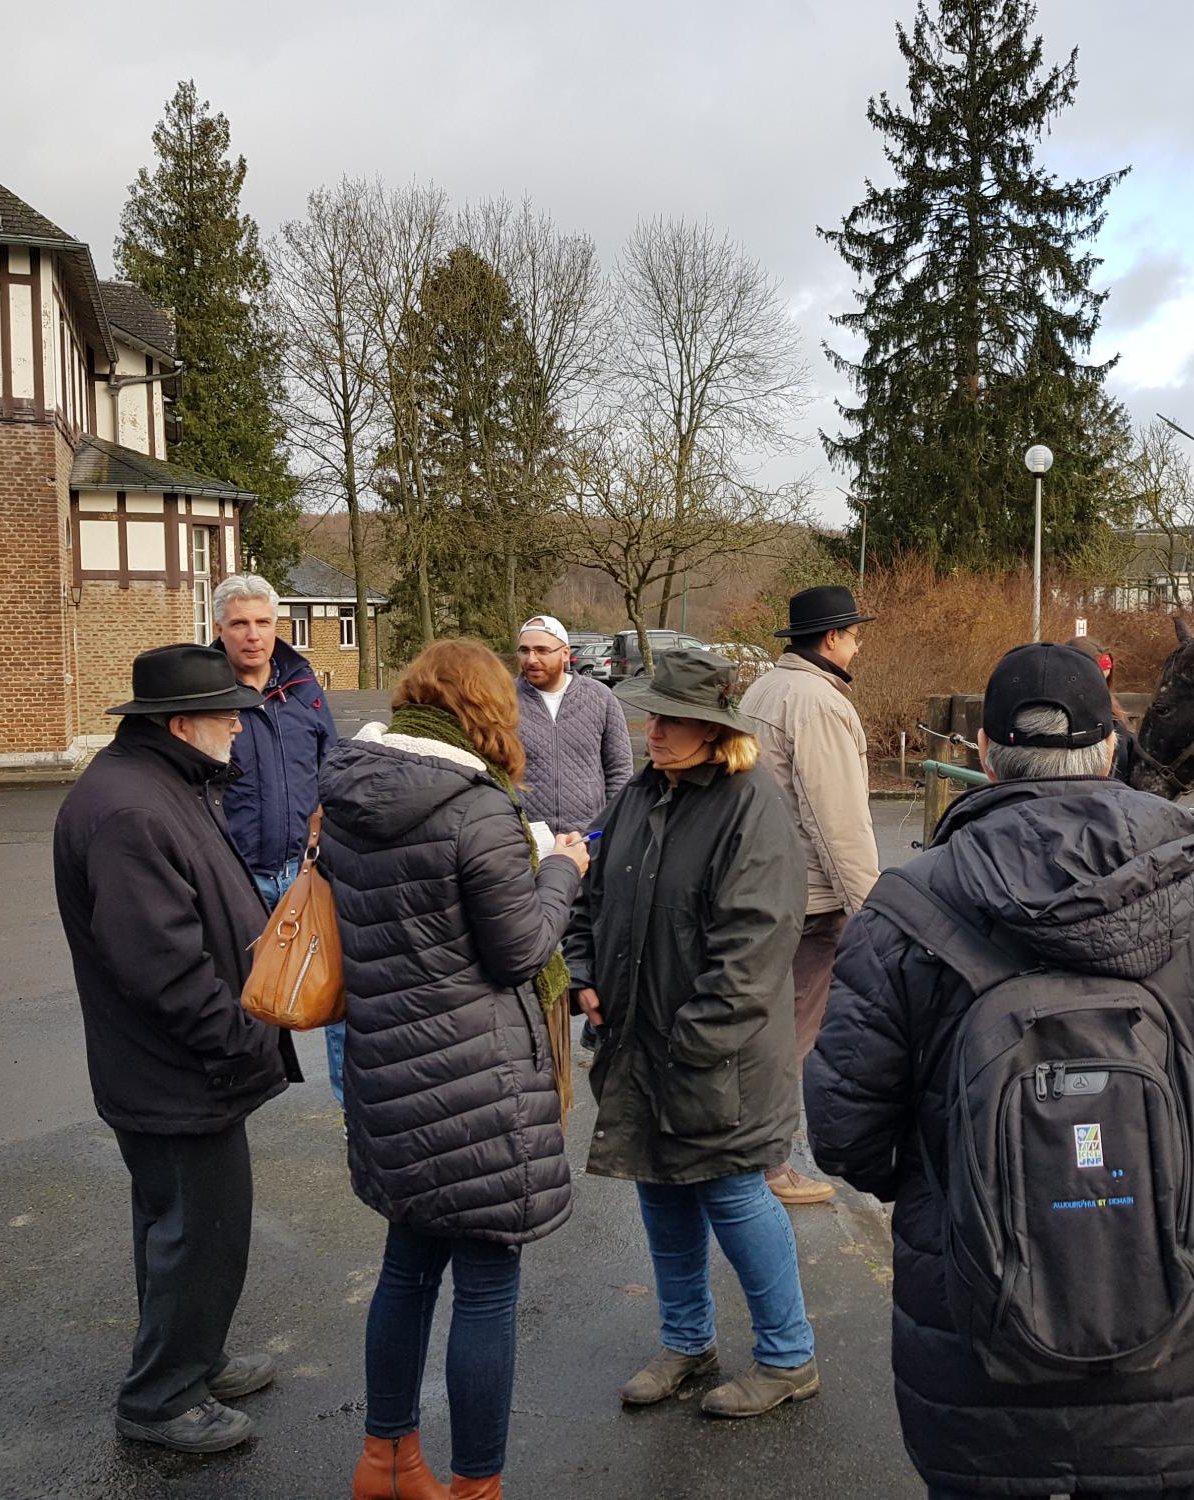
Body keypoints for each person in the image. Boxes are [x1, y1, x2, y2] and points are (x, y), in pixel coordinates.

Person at [809, 643, 1194, 1499]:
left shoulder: (903, 912)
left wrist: (960, 1191)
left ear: (984, 751)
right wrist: (1180, 1191)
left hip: (975, 1343)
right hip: (1171, 1330)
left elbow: (844, 1132)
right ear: (1111, 747)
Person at [319, 639, 591, 1500]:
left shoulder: (349, 795)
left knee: (406, 1268)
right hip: (478, 1083)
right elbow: (519, 949)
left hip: (389, 1073)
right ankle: (479, 1488)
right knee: (483, 1287)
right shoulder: (477, 809)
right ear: (485, 713)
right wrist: (562, 869)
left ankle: (385, 1462)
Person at [52, 643, 302, 1456]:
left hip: (180, 1069)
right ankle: (161, 1398)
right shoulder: (132, 809)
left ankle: (194, 1358)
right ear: (183, 722)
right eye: (228, 711)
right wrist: (236, 1042)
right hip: (179, 1072)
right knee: (198, 1232)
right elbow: (158, 964)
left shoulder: (166, 783)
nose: (239, 722)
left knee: (184, 1227)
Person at [564, 648, 820, 1420]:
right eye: (652, 715)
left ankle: (788, 1357)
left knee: (736, 1196)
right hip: (638, 1044)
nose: (656, 731)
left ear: (714, 731)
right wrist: (583, 973)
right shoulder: (640, 794)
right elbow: (589, 896)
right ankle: (687, 1343)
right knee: (662, 1197)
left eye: (674, 719)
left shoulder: (751, 806)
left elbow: (754, 950)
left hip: (719, 1058)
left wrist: (690, 1041)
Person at [739, 584, 883, 1206]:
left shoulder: (763, 689)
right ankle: (767, 1165)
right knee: (790, 1035)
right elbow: (837, 819)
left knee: (758, 1025)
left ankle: (748, 1152)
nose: (858, 643)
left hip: (757, 887)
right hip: (809, 900)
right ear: (831, 639)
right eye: (853, 634)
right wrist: (872, 909)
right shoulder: (817, 703)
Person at [211, 574, 343, 1102]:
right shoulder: (204, 692)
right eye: (239, 623)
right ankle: (231, 1101)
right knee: (232, 997)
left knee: (336, 989)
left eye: (263, 622)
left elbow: (332, 766)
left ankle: (351, 1109)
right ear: (218, 628)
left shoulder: (304, 687)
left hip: (305, 870)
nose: (252, 634)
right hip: (234, 873)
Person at [513, 613, 634, 834]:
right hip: (523, 840)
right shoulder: (503, 700)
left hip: (587, 839)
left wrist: (611, 826)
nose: (531, 659)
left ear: (565, 654)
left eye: (542, 650)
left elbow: (619, 769)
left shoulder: (600, 697)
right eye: (524, 650)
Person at [1064, 634, 1146, 788]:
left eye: (1106, 680)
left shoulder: (1113, 715)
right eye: (1096, 680)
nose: (1100, 688)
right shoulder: (1056, 721)